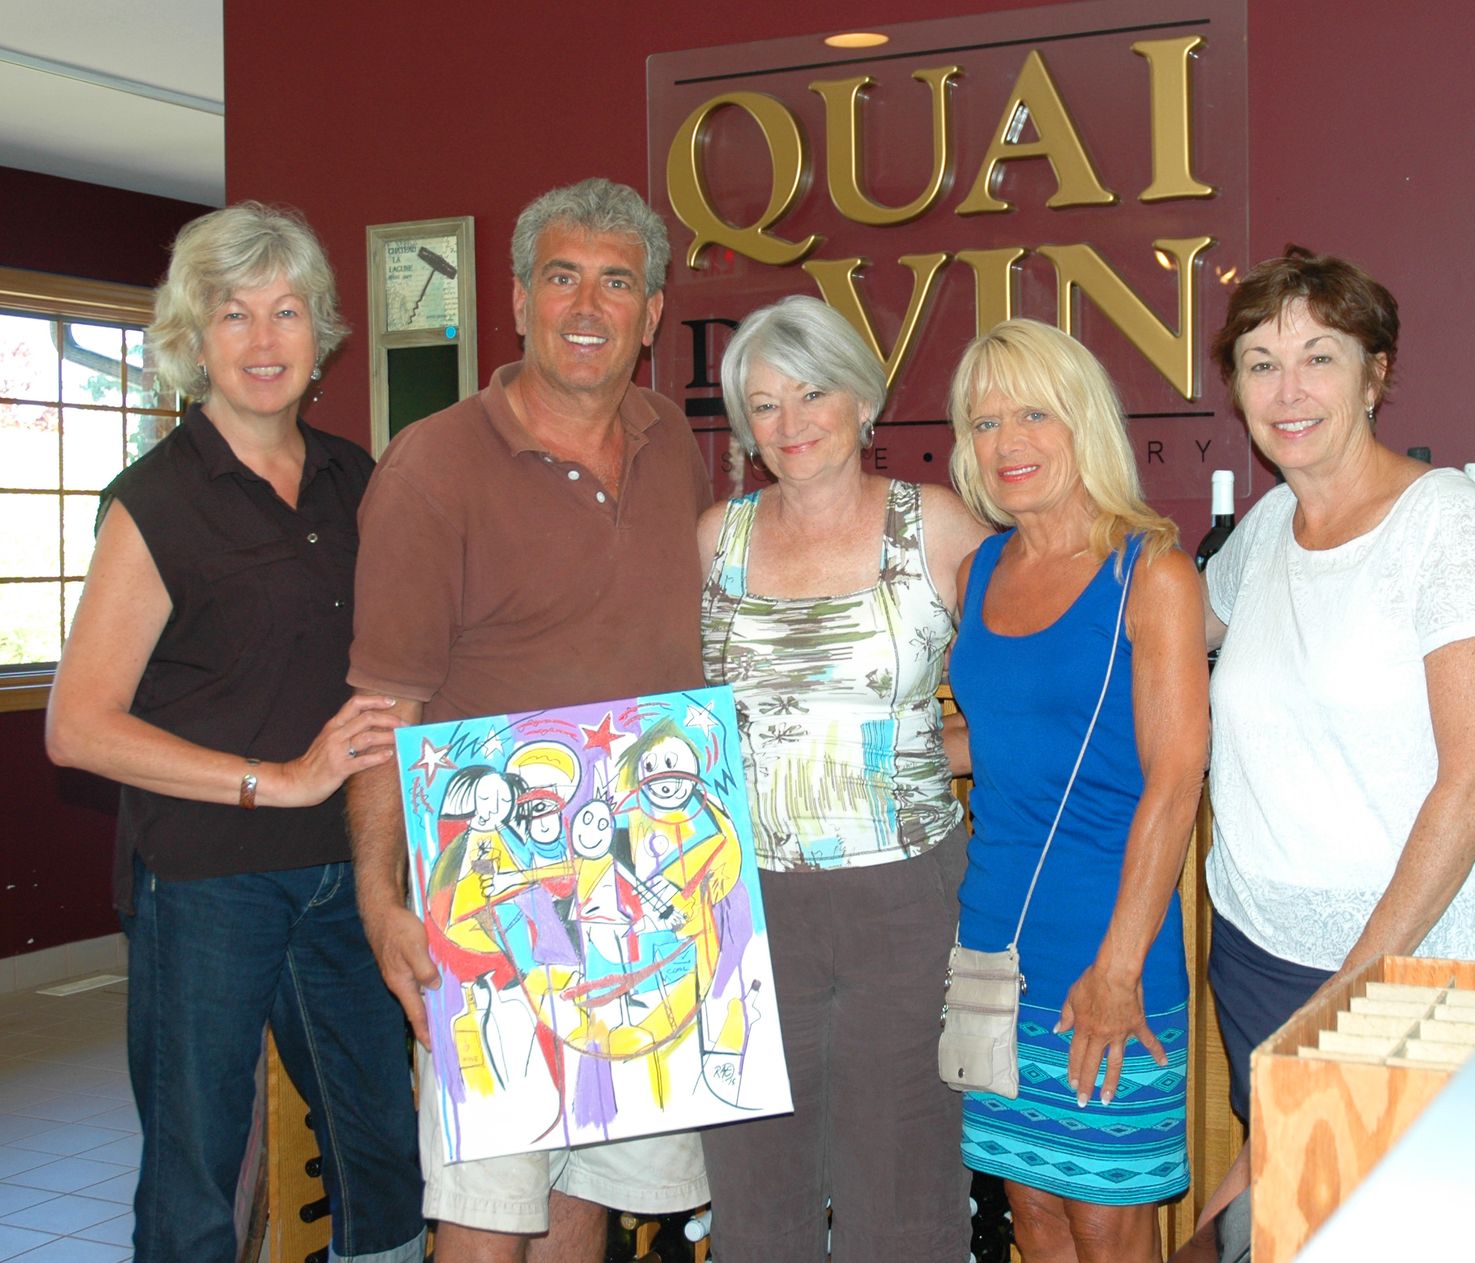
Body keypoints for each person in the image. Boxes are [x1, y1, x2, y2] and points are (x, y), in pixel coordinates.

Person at [44, 202, 424, 1263]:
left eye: (286, 311)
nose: (263, 340)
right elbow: (77, 728)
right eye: (234, 314)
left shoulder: (357, 478)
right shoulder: (154, 501)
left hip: (349, 872)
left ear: (321, 333)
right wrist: (279, 777)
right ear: (193, 338)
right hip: (206, 880)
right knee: (197, 1174)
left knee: (383, 1159)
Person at [346, 178, 712, 1263]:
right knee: (487, 1205)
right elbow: (386, 704)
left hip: (639, 890)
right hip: (490, 897)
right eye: (562, 278)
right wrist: (380, 898)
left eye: (617, 283)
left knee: (590, 1190)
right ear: (517, 299)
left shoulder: (674, 442)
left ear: (652, 313)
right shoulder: (432, 465)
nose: (588, 307)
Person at [1198, 246, 1475, 1216]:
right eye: (1261, 362)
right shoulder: (1265, 529)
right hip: (1261, 954)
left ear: (1374, 374)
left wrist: (1349, 993)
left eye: (1319, 356)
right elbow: (1162, 641)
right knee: (1294, 1220)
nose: (1288, 389)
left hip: (1416, 961)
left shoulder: (1449, 528)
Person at [695, 295, 991, 1262]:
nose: (791, 423)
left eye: (813, 392)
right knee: (754, 1196)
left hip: (904, 899)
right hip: (744, 901)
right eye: (765, 404)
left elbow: (1028, 701)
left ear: (863, 400)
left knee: (904, 1192)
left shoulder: (938, 526)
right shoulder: (715, 538)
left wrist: (920, 752)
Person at [945, 319, 1207, 1263]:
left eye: (1033, 415)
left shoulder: (1152, 570)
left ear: (1083, 421)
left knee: (1105, 1221)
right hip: (993, 945)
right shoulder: (979, 571)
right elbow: (1004, 736)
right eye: (984, 423)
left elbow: (1174, 780)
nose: (1007, 443)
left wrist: (1118, 968)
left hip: (1106, 943)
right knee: (1033, 1214)